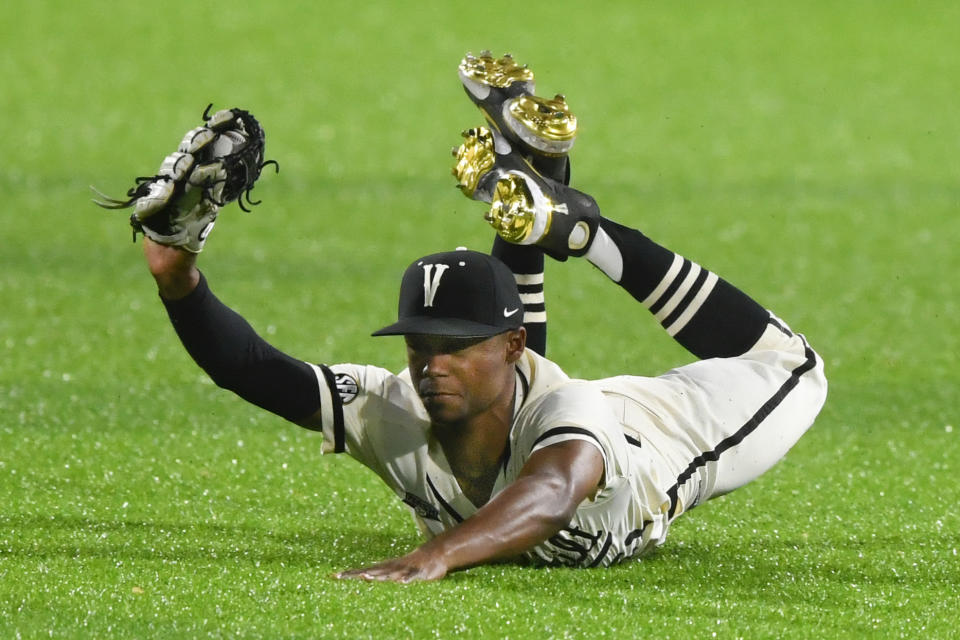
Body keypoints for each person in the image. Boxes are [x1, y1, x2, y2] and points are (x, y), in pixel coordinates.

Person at [141, 53, 827, 583]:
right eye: (421, 345)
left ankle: (582, 233)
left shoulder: (572, 415)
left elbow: (553, 493)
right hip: (529, 396)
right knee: (507, 408)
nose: (432, 365)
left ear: (508, 343)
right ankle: (540, 193)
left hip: (661, 432)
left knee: (794, 366)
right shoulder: (397, 405)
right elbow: (253, 369)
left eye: (456, 346)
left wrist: (439, 554)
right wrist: (178, 276)